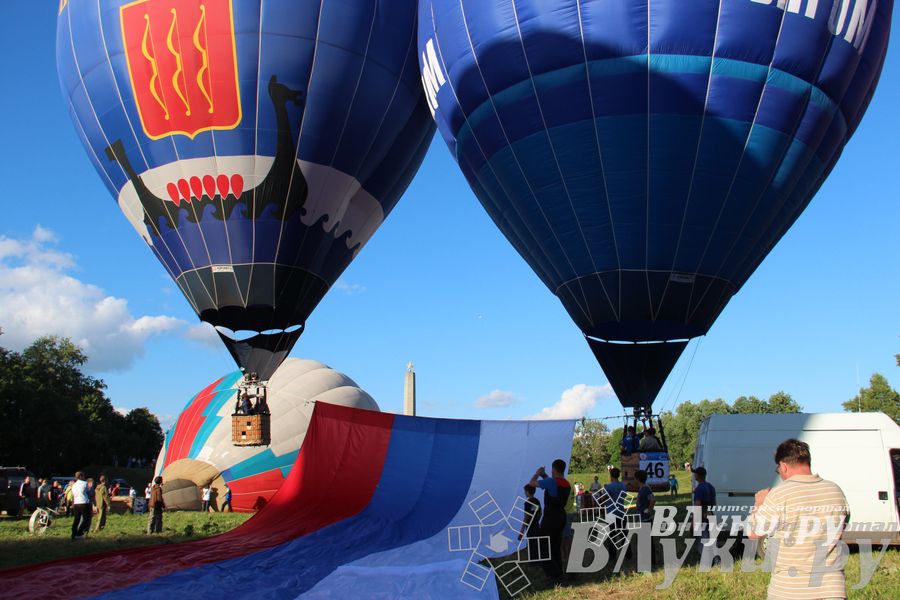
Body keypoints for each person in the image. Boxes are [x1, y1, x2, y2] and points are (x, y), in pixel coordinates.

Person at [748, 439, 849, 600]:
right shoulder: (835, 490)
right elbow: (842, 527)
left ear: (783, 466)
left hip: (790, 589)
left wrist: (759, 504)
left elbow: (753, 533)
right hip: (832, 588)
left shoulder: (779, 494)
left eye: (778, 470)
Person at [529, 459, 571, 579]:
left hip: (550, 518)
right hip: (561, 517)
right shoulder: (566, 483)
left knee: (543, 546)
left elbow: (532, 483)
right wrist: (544, 475)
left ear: (554, 469)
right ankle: (559, 572)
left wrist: (538, 473)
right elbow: (551, 484)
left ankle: (552, 574)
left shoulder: (551, 482)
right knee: (555, 546)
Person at [692, 467, 716, 554]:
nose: (694, 475)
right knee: (712, 538)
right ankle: (716, 560)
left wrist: (694, 521)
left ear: (698, 475)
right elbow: (714, 504)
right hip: (710, 514)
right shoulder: (711, 487)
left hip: (702, 516)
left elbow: (698, 506)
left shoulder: (698, 489)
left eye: (695, 473)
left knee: (703, 539)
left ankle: (706, 561)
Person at [70, 471, 91, 540]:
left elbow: (73, 494)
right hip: (84, 503)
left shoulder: (74, 485)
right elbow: (88, 491)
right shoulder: (85, 483)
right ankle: (79, 533)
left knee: (76, 520)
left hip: (76, 503)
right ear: (81, 476)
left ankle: (73, 534)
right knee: (86, 519)